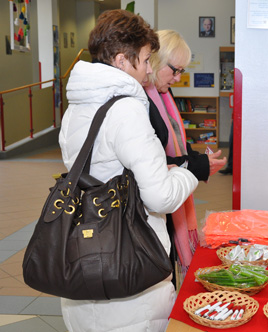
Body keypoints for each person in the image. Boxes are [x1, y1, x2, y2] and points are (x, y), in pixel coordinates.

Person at [58, 10, 198, 332]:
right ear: (122, 61)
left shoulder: (76, 108)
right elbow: (160, 197)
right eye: (147, 60)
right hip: (129, 274)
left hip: (85, 260)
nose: (150, 70)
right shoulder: (128, 111)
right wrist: (187, 172)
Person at [144, 29, 226, 283]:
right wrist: (199, 165)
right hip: (154, 208)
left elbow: (176, 144)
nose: (178, 78)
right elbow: (155, 162)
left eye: (182, 71)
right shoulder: (142, 102)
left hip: (169, 202)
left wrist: (200, 159)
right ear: (156, 61)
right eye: (175, 70)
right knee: (162, 273)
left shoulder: (163, 95)